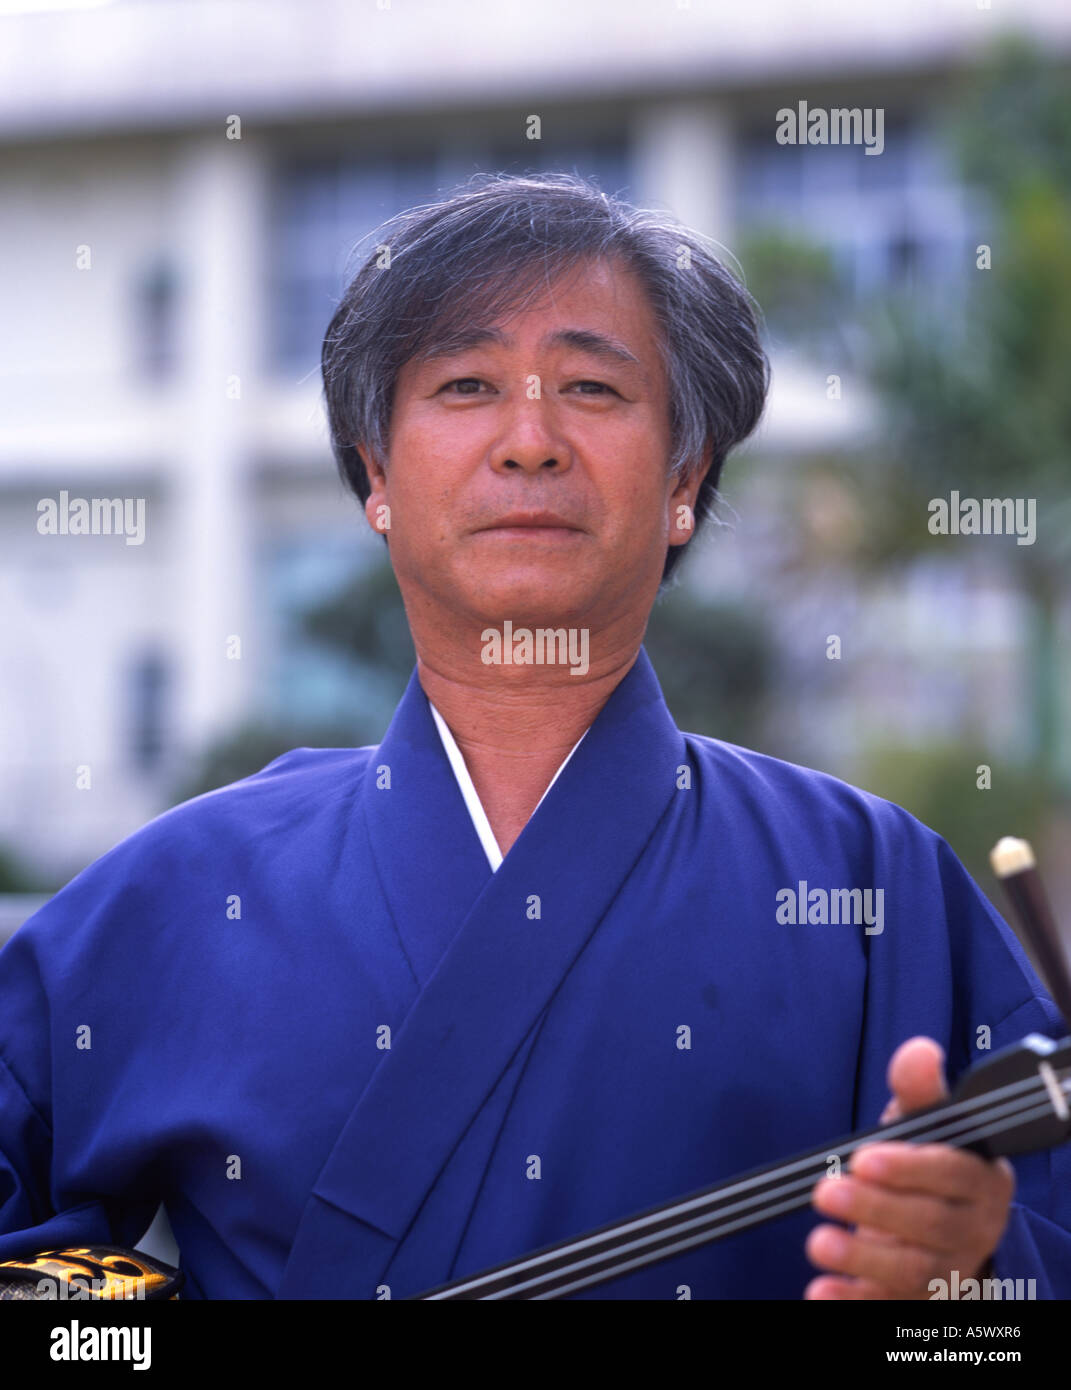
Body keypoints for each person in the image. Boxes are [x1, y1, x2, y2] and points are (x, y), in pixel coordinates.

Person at [2, 173, 1069, 1301]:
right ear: (376, 477)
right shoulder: (188, 886)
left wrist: (972, 1280)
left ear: (685, 481)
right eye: (465, 384)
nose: (529, 440)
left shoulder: (871, 886)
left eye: (592, 387)